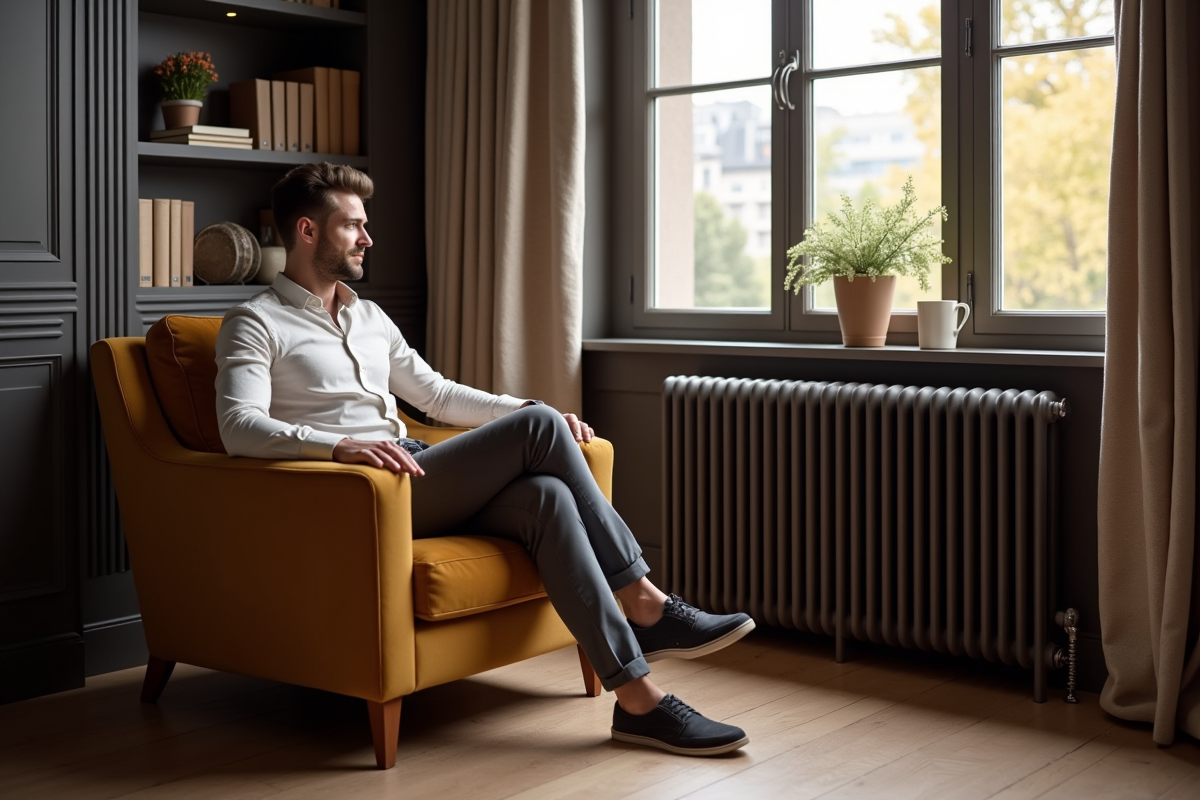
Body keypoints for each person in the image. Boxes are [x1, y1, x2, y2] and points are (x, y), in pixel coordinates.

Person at [215, 162, 755, 756]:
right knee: (541, 426)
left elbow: (436, 395)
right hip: (358, 494)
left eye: (365, 225)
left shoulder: (368, 317)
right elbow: (239, 427)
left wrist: (524, 408)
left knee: (547, 497)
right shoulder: (255, 321)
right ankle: (646, 602)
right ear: (307, 231)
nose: (367, 238)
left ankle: (637, 702)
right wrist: (338, 445)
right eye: (352, 226)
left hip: (417, 472)